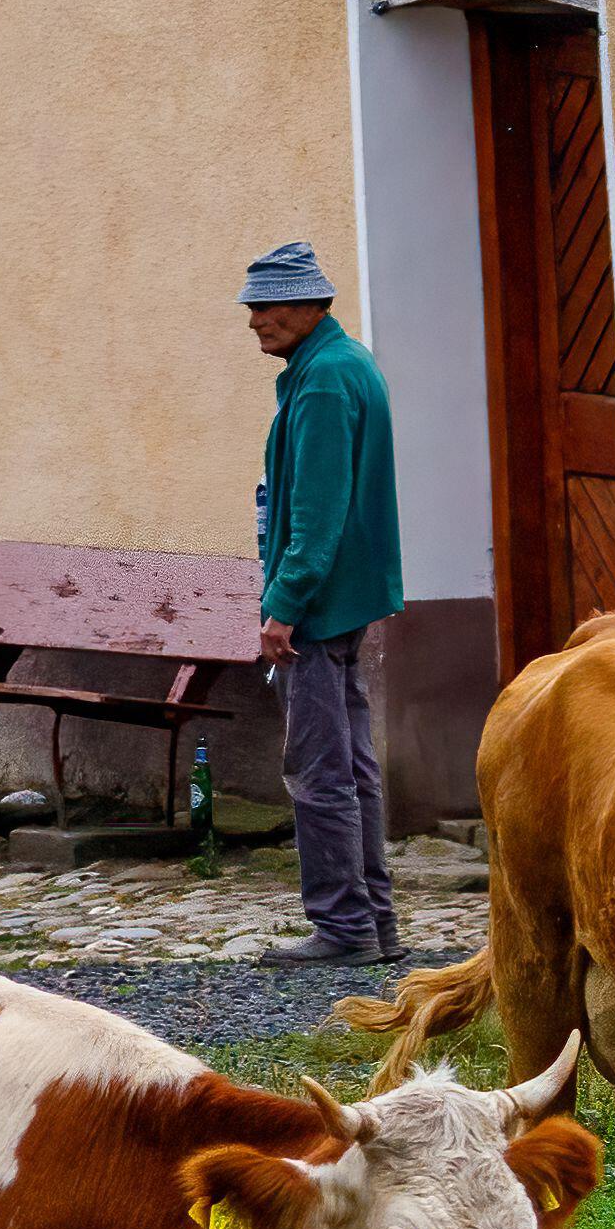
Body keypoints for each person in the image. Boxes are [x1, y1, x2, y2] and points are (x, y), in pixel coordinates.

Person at [240, 237, 403, 968]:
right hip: (345, 600)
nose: (254, 321)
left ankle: (343, 928)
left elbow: (316, 511)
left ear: (309, 305)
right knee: (352, 767)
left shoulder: (325, 382)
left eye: (267, 306)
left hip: (319, 608)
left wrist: (284, 604)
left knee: (319, 771)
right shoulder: (340, 364)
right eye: (251, 306)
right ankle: (373, 925)